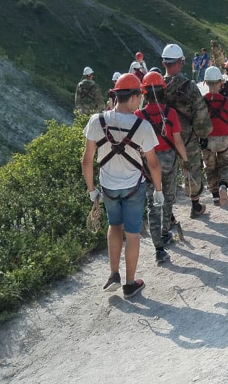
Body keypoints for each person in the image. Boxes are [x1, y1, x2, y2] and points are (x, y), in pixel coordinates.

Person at [81, 73, 162, 299]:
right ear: (134, 97)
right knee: (133, 233)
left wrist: (91, 190)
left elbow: (86, 160)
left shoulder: (96, 121)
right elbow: (153, 164)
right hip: (134, 187)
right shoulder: (143, 126)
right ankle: (130, 283)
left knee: (114, 225)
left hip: (108, 187)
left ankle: (113, 274)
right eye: (140, 97)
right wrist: (159, 190)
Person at [136, 71, 189, 264]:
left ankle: (158, 246)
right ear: (163, 91)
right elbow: (178, 142)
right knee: (167, 198)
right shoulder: (170, 113)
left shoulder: (138, 116)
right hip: (169, 160)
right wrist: (186, 161)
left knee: (153, 203)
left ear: (144, 93)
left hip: (149, 163)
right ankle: (165, 232)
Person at [161, 43, 213, 219]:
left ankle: (168, 213)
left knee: (165, 174)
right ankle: (195, 204)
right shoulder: (189, 86)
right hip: (186, 137)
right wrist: (203, 135)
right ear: (180, 62)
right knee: (191, 168)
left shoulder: (155, 87)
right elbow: (200, 112)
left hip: (162, 139)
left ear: (164, 64)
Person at [202, 66, 228, 206]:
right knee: (225, 164)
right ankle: (223, 186)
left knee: (210, 168)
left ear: (205, 82)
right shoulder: (226, 102)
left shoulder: (202, 101)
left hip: (207, 140)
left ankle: (215, 196)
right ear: (220, 83)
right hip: (223, 138)